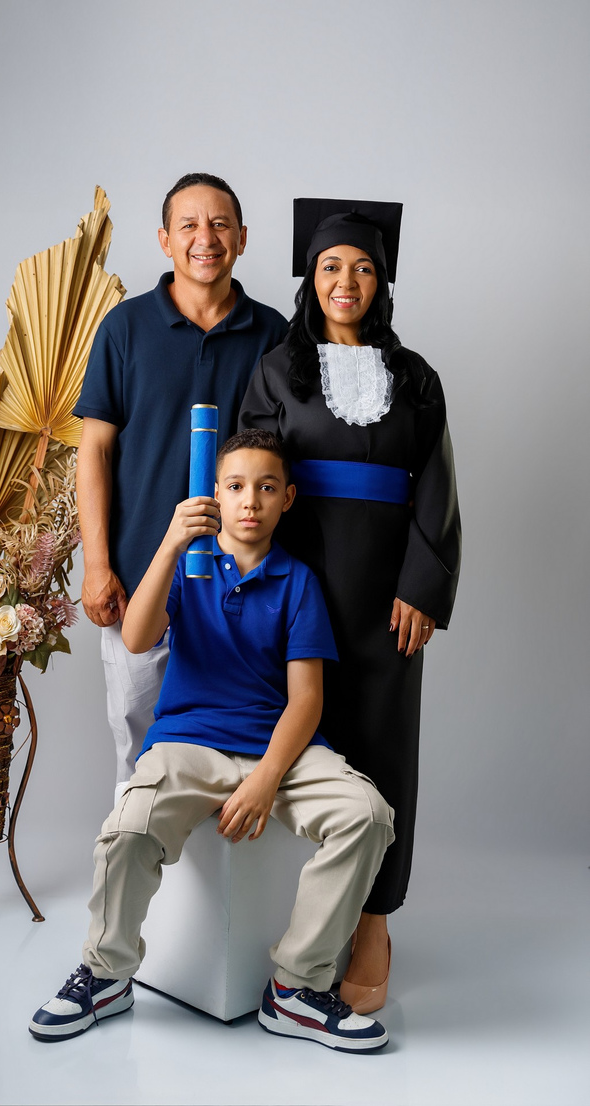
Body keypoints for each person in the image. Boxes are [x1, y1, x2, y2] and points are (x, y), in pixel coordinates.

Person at [30, 431, 394, 1052]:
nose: (250, 500)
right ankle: (106, 975)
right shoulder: (187, 565)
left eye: (267, 487)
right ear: (215, 494)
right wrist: (172, 543)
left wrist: (266, 777)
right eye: (236, 486)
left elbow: (306, 699)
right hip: (189, 740)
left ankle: (296, 988)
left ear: (287, 498)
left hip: (280, 750)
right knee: (129, 827)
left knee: (368, 815)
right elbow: (137, 638)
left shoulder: (299, 581)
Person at [240, 199, 461, 1013]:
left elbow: (437, 484)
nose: (346, 281)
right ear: (311, 278)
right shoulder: (276, 370)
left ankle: (374, 921)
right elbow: (252, 474)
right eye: (332, 266)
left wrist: (422, 586)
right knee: (296, 741)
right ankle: (293, 917)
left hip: (386, 594)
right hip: (298, 582)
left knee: (384, 747)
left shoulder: (417, 378)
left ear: (380, 284)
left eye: (363, 268)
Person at [74, 173, 288, 799]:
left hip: (238, 586)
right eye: (189, 225)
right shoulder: (124, 328)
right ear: (165, 240)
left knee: (231, 753)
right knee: (137, 747)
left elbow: (290, 460)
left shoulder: (274, 335)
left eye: (220, 225)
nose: (205, 239)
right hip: (140, 576)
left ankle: (211, 869)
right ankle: (133, 860)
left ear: (242, 238)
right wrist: (96, 565)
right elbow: (95, 450)